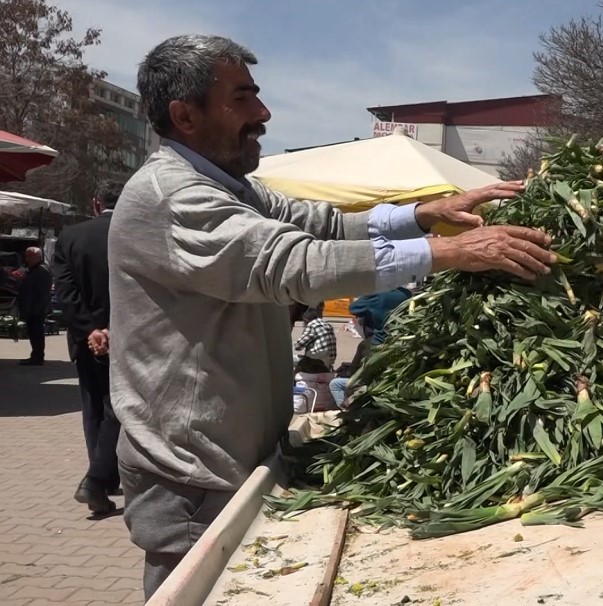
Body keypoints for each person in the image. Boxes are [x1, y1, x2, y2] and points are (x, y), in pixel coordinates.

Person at [109, 34, 556, 599]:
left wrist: (426, 214)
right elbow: (294, 261)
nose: (264, 114)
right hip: (194, 475)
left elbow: (315, 221)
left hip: (236, 462)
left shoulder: (231, 187)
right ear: (185, 115)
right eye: (243, 98)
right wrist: (447, 253)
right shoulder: (175, 197)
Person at [54, 180, 124, 514]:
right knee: (118, 407)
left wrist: (89, 330)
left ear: (96, 203)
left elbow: (65, 293)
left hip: (85, 341)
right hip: (125, 335)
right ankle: (98, 478)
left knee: (93, 406)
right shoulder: (132, 233)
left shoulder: (69, 237)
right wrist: (110, 328)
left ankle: (101, 476)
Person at [15, 246, 52, 365]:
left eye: (30, 256)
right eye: (26, 256)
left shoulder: (42, 270)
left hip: (36, 310)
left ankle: (37, 357)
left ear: (38, 257)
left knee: (37, 333)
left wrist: (38, 309)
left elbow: (43, 293)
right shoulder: (32, 270)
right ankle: (35, 355)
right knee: (33, 333)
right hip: (30, 309)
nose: (27, 259)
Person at [293, 305, 336, 372]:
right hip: (329, 361)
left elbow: (298, 347)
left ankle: (291, 380)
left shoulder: (312, 325)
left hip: (316, 361)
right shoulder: (327, 324)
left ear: (305, 320)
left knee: (290, 359)